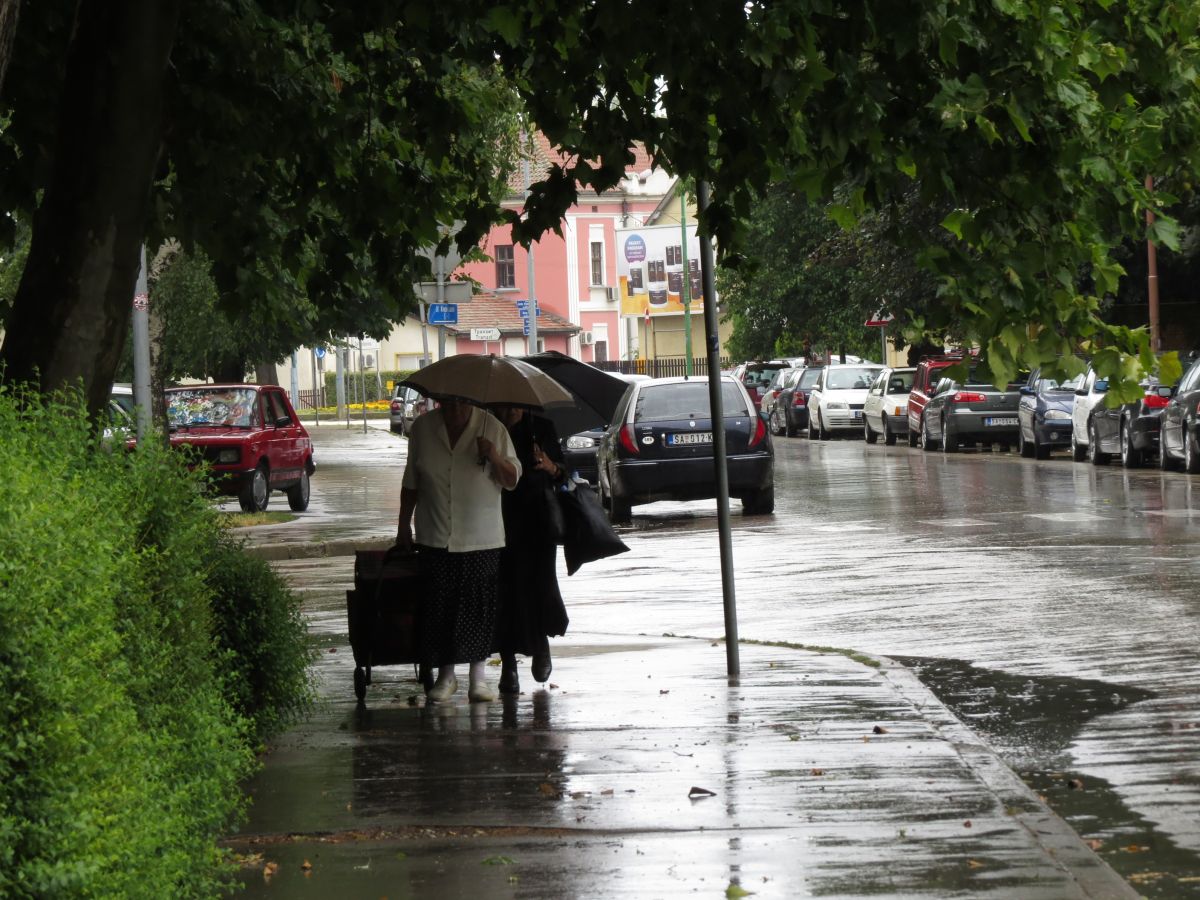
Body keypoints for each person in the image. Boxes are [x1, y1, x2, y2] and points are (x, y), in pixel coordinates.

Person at [395, 397, 520, 703]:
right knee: (439, 606)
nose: (454, 411)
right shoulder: (424, 429)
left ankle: (478, 678)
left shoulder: (493, 428)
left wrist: (493, 455)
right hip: (435, 533)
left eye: (461, 405)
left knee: (478, 607)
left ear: (471, 402)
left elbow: (512, 479)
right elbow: (411, 481)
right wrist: (402, 527)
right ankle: (445, 676)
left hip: (481, 536)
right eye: (448, 404)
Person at [494, 406, 569, 694]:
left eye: (517, 404)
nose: (512, 409)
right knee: (505, 591)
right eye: (507, 404)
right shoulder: (489, 427)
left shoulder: (541, 427)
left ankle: (541, 647)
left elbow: (562, 471)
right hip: (497, 520)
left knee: (540, 587)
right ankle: (508, 664)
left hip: (537, 521)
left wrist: (551, 466)